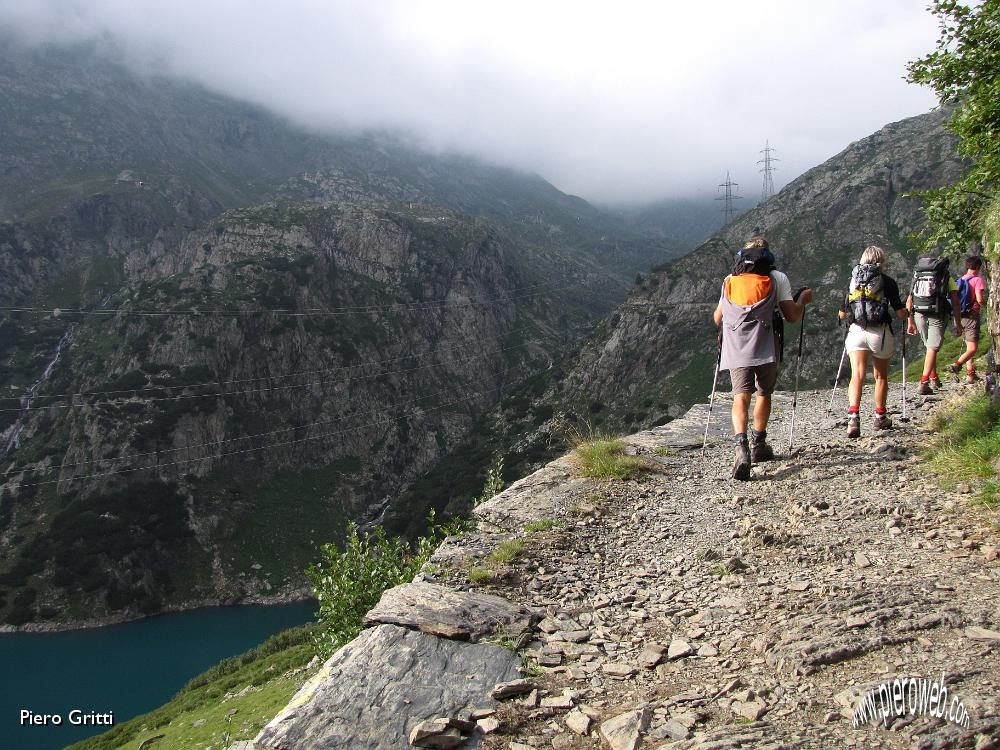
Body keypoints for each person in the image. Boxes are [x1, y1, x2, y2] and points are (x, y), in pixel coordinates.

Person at [712, 236, 812, 480]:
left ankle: (740, 447)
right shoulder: (777, 278)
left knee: (740, 396)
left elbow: (718, 318)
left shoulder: (730, 280)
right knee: (764, 393)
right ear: (767, 254)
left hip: (736, 346)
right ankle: (759, 445)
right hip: (766, 343)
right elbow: (792, 316)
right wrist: (803, 299)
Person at [837, 246, 909, 438]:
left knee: (857, 375)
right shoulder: (887, 282)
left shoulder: (853, 282)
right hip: (880, 333)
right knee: (880, 376)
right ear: (882, 262)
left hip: (857, 331)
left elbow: (842, 314)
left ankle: (853, 419)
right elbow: (900, 313)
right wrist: (907, 312)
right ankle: (880, 416)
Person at [907, 254, 962, 394]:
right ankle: (923, 383)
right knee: (932, 348)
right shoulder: (945, 276)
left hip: (919, 314)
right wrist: (958, 322)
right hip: (937, 314)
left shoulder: (918, 276)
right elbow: (955, 301)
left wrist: (910, 321)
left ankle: (934, 378)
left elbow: (909, 300)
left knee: (929, 348)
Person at [948, 256, 987, 384]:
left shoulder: (960, 280)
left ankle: (970, 374)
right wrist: (988, 306)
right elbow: (980, 299)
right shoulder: (977, 280)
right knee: (972, 349)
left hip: (959, 316)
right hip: (971, 316)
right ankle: (956, 365)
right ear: (978, 267)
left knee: (968, 346)